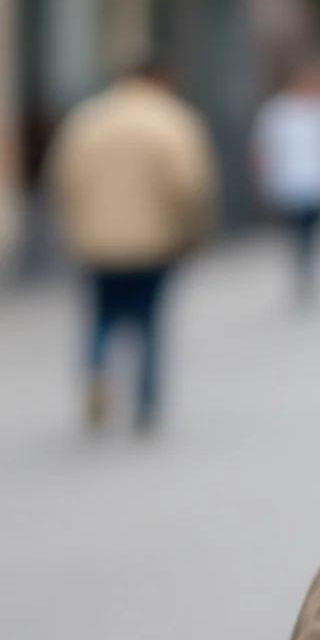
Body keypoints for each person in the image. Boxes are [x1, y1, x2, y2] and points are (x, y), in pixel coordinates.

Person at [48, 61, 217, 432]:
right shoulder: (172, 120)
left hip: (96, 240)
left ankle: (97, 371)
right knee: (150, 320)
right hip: (154, 241)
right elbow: (189, 184)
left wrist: (75, 225)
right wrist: (194, 230)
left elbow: (62, 178)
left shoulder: (87, 119)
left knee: (102, 316)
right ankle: (146, 401)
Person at [252, 65, 320, 304]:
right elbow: (264, 149)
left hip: (319, 183)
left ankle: (308, 267)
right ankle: (302, 266)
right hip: (289, 183)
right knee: (297, 231)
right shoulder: (277, 111)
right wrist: (263, 179)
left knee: (315, 231)